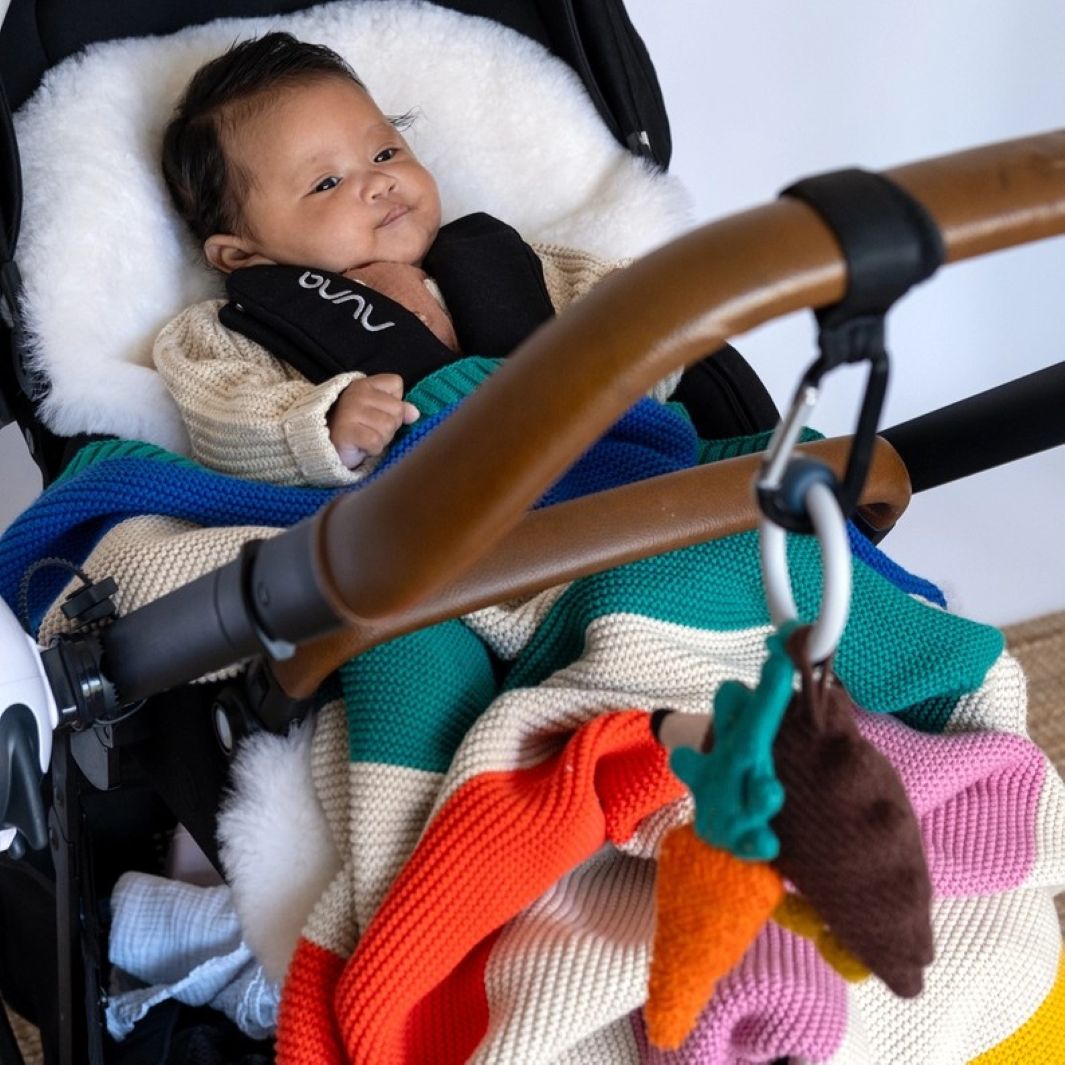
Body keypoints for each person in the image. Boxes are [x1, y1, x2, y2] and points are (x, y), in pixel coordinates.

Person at [156, 31, 675, 486]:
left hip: (587, 480)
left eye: (384, 154)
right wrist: (325, 425)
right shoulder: (230, 332)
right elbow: (222, 417)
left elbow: (648, 321)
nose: (379, 181)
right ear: (241, 254)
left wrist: (640, 328)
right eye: (327, 182)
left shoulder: (519, 266)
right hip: (420, 536)